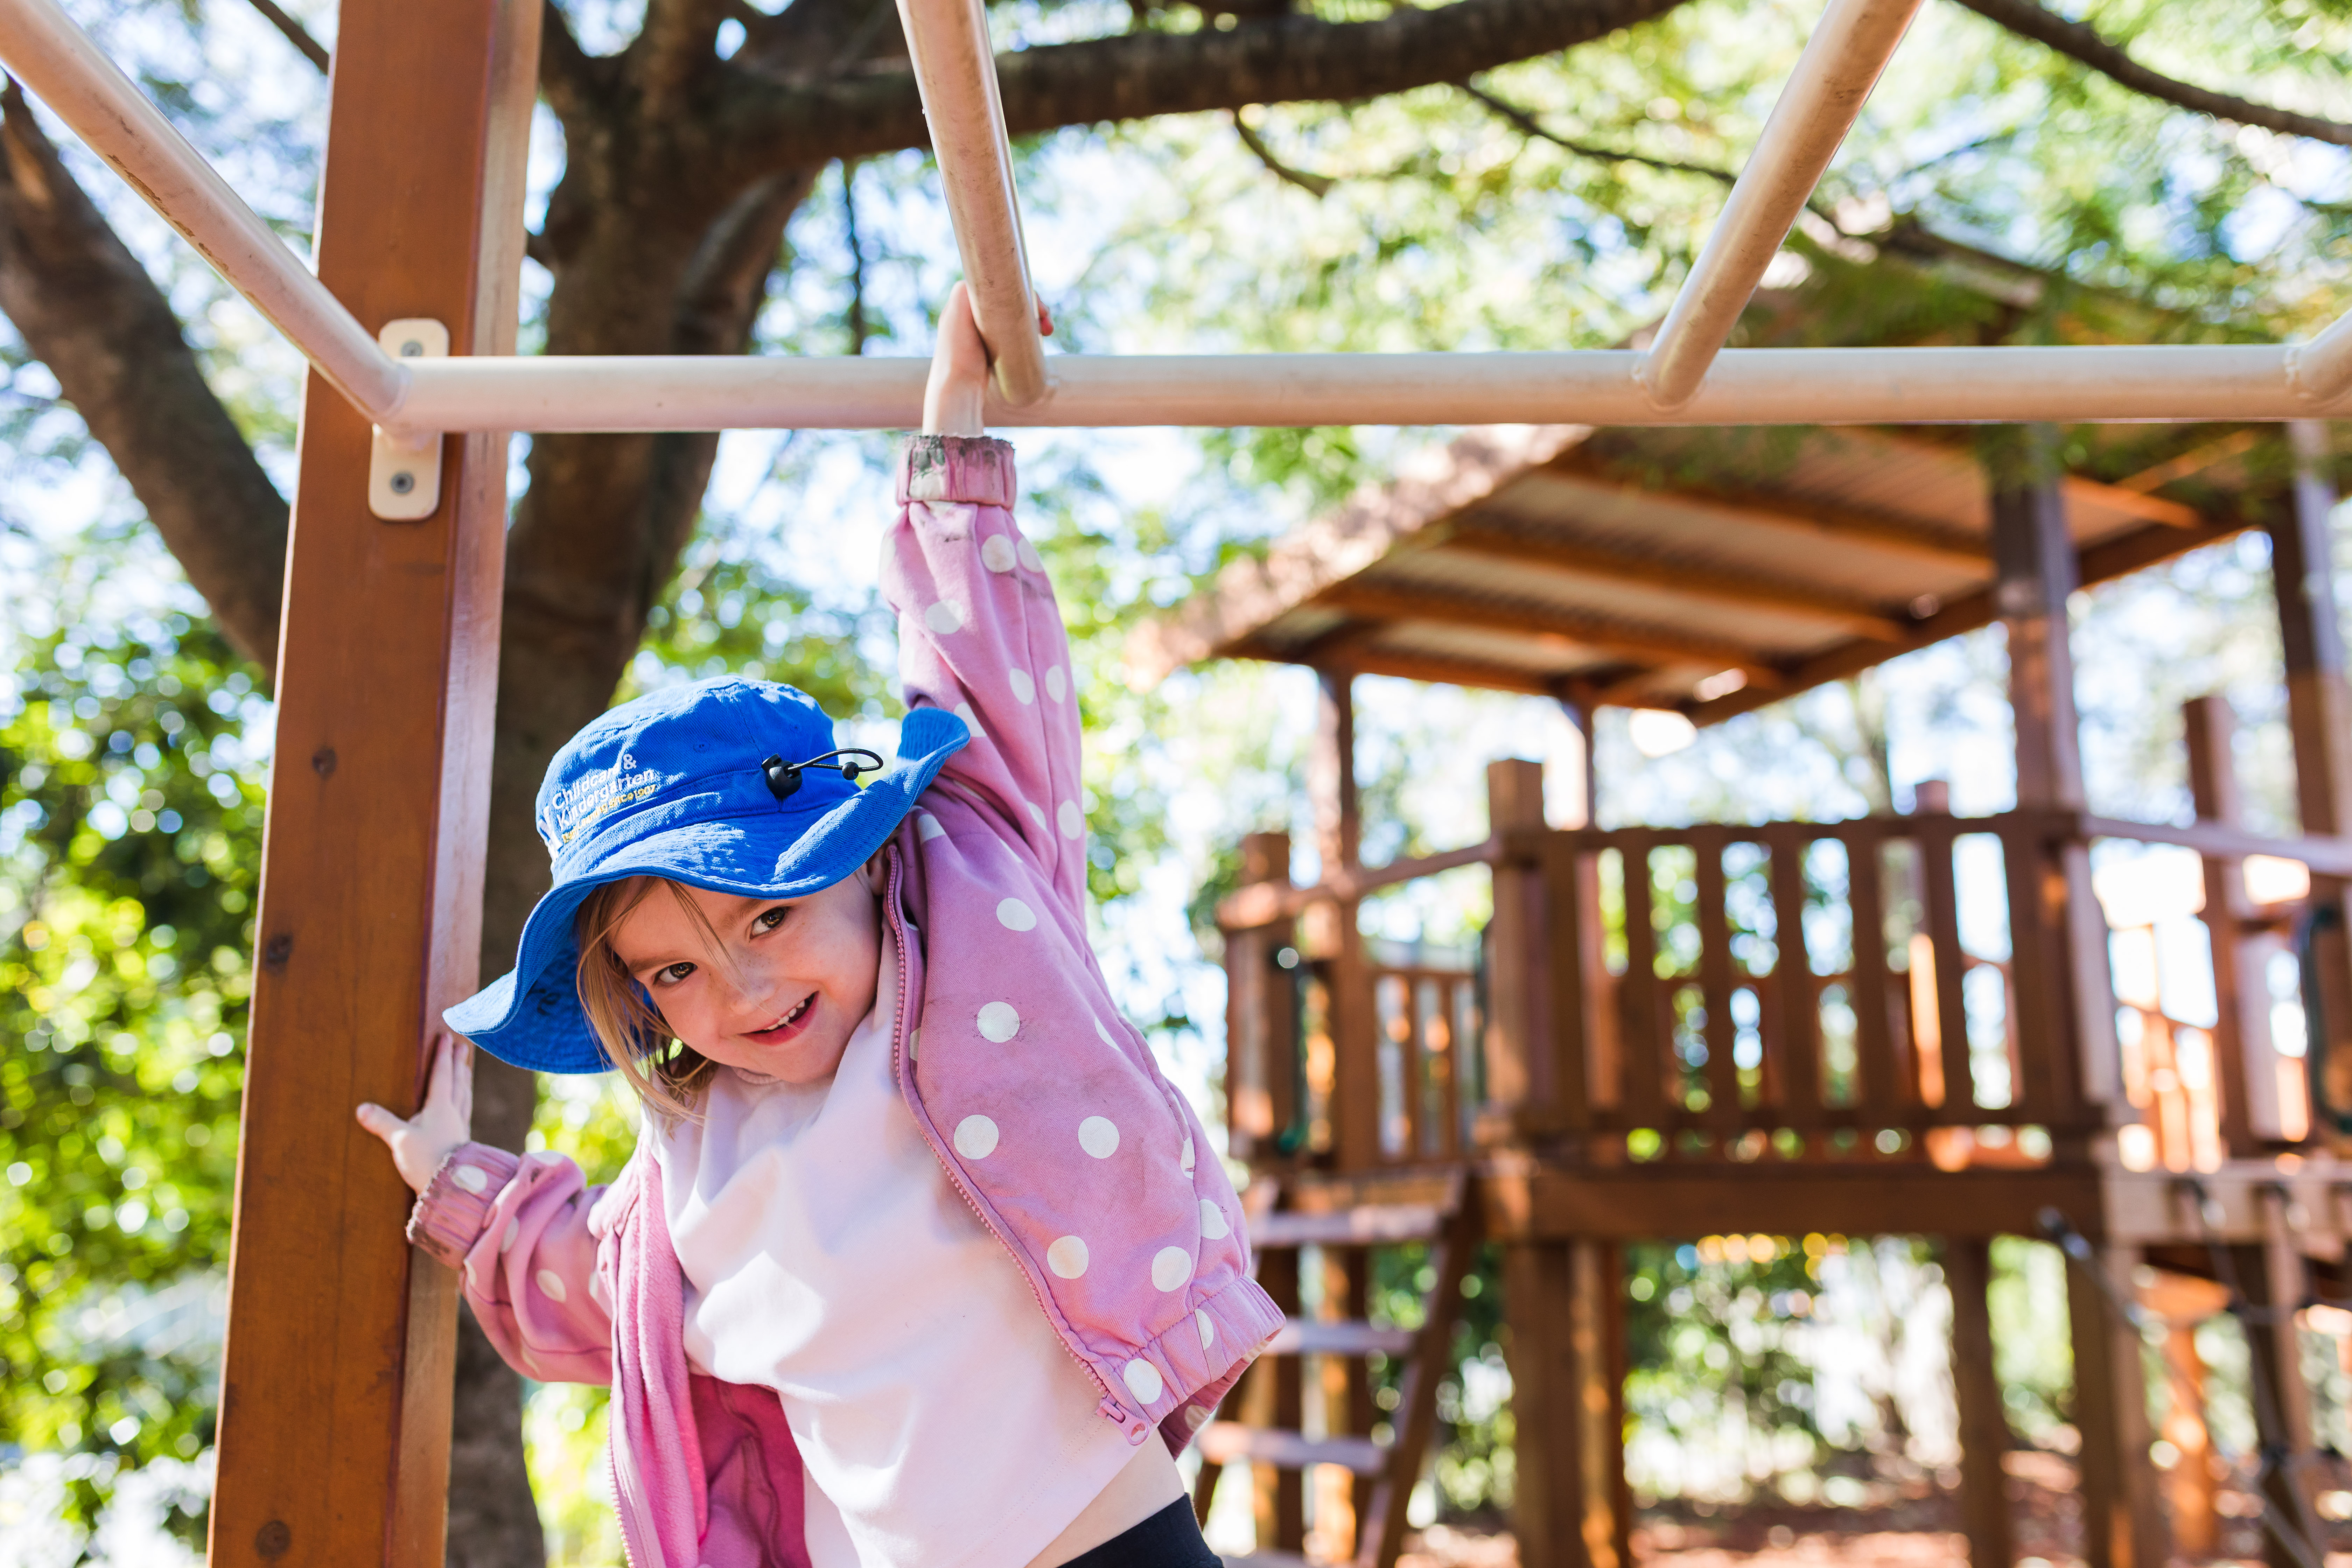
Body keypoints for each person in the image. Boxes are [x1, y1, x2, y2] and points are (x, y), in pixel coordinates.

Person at [356, 282, 1277, 1568]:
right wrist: (457, 1182)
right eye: (674, 970)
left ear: (865, 864)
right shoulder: (694, 1163)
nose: (739, 987)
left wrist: (950, 436)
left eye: (771, 914)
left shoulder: (969, 927)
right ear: (637, 1003)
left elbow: (981, 683)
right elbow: (589, 1281)